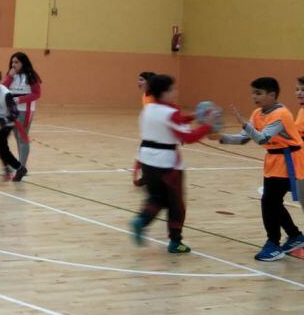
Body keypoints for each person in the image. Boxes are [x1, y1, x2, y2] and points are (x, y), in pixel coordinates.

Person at [220, 77, 304, 261]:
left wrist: (244, 124)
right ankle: (293, 236)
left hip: (293, 161)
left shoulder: (281, 114)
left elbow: (262, 138)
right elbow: (243, 139)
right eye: (253, 93)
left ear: (272, 95)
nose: (254, 97)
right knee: (271, 201)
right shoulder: (258, 113)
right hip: (274, 161)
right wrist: (220, 137)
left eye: (258, 93)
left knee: (271, 202)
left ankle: (274, 243)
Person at [129, 74, 213, 254]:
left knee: (156, 197)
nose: (176, 91)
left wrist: (192, 117)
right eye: (173, 89)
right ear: (164, 92)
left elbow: (173, 121)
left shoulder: (148, 109)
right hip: (166, 164)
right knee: (176, 203)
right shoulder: (170, 113)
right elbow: (188, 138)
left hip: (146, 160)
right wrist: (208, 126)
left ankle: (141, 220)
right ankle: (175, 241)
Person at [3, 51, 41, 172]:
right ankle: (20, 165)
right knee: (16, 137)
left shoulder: (31, 76)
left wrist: (20, 99)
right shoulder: (11, 74)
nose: (13, 64)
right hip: (12, 111)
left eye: (16, 62)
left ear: (23, 63)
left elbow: (37, 94)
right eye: (12, 62)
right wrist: (10, 76)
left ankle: (22, 167)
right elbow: (3, 89)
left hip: (25, 110)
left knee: (22, 137)